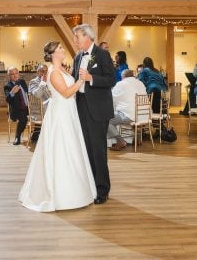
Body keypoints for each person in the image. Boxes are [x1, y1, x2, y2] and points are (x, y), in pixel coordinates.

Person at [19, 41, 97, 212]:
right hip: (61, 113)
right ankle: (61, 195)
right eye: (60, 48)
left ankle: (78, 190)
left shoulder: (63, 70)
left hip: (69, 112)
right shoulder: (53, 72)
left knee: (72, 147)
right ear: (53, 54)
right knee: (62, 148)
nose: (63, 50)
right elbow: (67, 93)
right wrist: (81, 80)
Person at [72, 23, 115, 205]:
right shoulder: (77, 57)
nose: (75, 40)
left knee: (98, 150)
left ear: (87, 36)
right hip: (81, 107)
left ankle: (102, 190)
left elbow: (111, 79)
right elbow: (76, 80)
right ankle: (90, 186)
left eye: (77, 37)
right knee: (86, 149)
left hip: (98, 109)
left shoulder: (102, 54)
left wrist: (92, 79)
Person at [108, 69, 146, 151]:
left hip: (131, 116)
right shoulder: (140, 83)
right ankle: (138, 139)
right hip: (144, 114)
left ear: (123, 77)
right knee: (132, 112)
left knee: (107, 120)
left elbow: (111, 98)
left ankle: (120, 141)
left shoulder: (121, 84)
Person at [4, 67, 29, 146]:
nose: (15, 76)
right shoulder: (8, 86)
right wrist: (12, 92)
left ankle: (35, 135)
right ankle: (17, 137)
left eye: (16, 73)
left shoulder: (22, 82)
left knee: (39, 114)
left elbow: (27, 93)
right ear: (9, 76)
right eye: (12, 74)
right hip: (16, 110)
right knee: (23, 118)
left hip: (27, 107)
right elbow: (7, 99)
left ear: (18, 74)